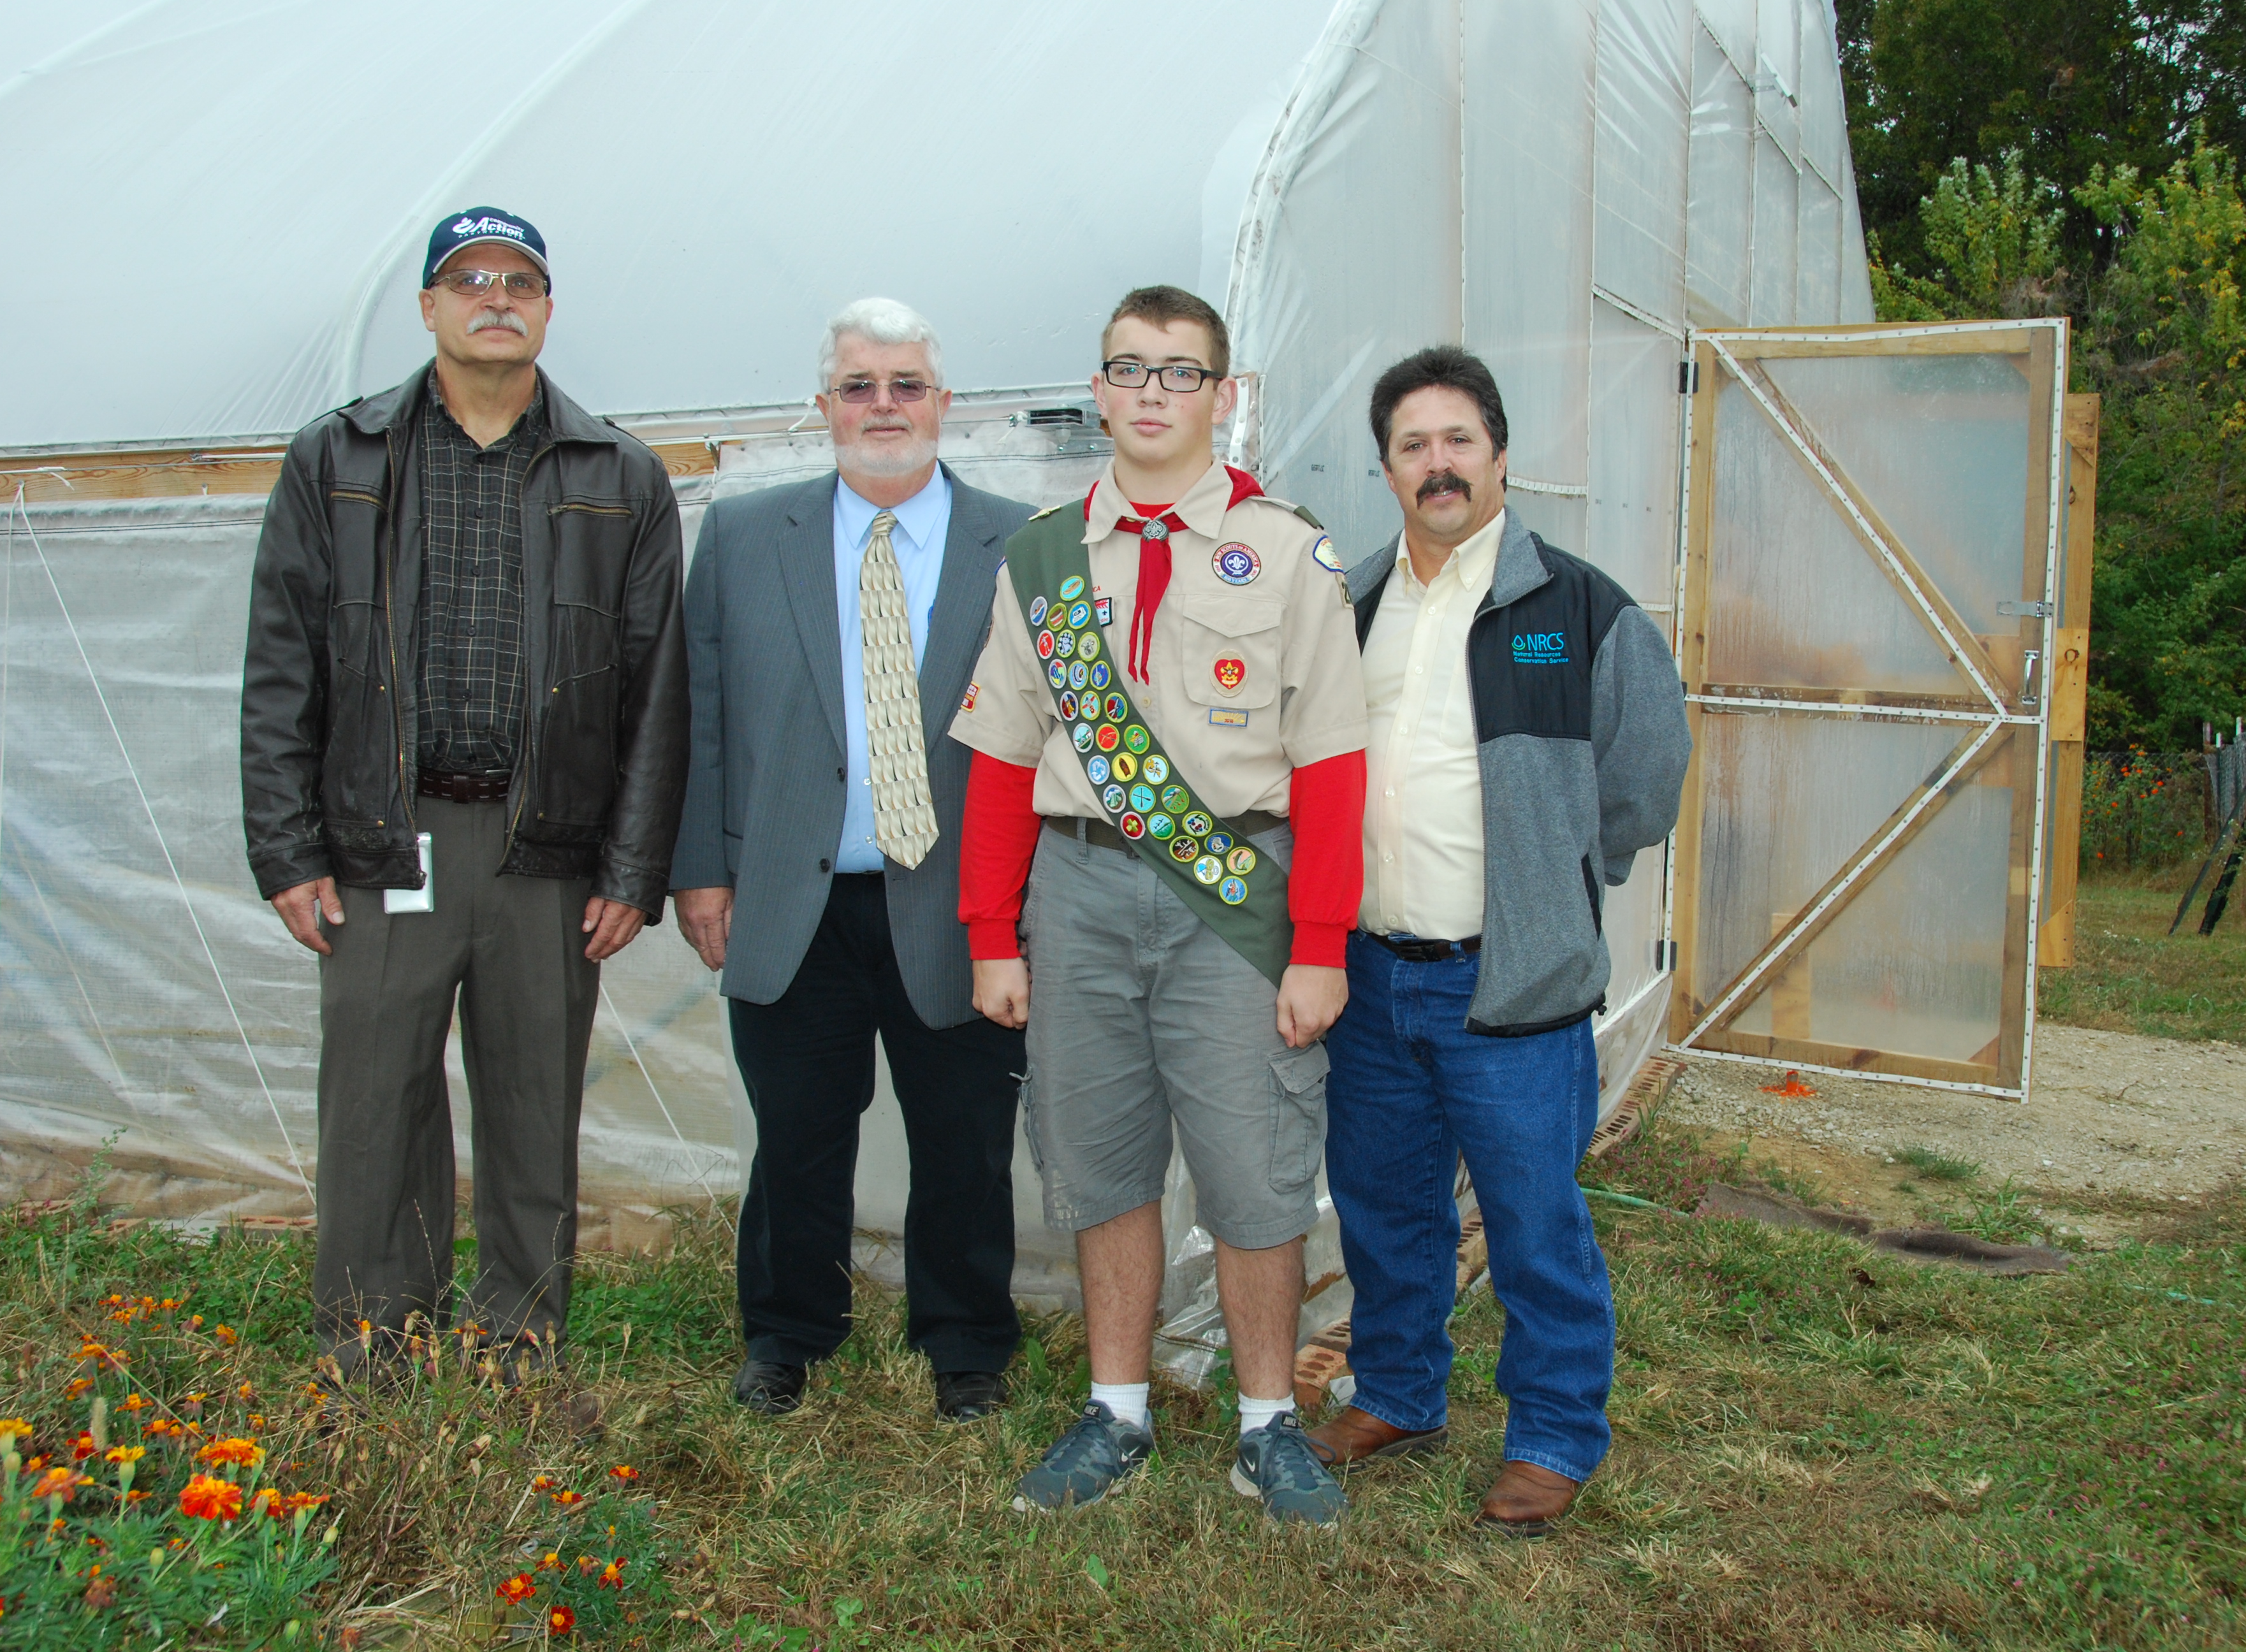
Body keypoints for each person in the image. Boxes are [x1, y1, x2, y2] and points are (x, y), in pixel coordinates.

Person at [241, 207, 689, 1389]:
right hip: (386, 836)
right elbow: (283, 664)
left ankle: (521, 1334)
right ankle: (372, 1339)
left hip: (549, 849)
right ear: (430, 309)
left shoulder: (620, 476)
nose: (497, 297)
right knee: (375, 1099)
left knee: (536, 1099)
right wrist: (289, 850)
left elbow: (656, 694)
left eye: (521, 281)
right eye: (470, 279)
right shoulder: (336, 459)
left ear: (548, 309)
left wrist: (632, 871)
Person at [951, 286, 1369, 1523]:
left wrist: (1322, 943)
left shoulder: (1288, 551)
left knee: (1255, 1168)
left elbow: (1334, 761)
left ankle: (1265, 1426)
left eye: (1178, 373)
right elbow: (1001, 757)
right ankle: (1115, 1411)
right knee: (1101, 1159)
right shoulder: (1040, 559)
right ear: (1099, 390)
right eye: (1128, 369)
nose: (1150, 393)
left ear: (1221, 397)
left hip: (1235, 897)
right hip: (1074, 894)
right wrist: (990, 933)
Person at [1309, 346, 1688, 1535]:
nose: (1438, 464)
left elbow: (1644, 781)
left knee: (1533, 1220)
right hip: (1372, 976)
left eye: (1458, 440)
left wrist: (1561, 882)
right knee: (1384, 1209)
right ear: (1386, 468)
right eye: (1413, 445)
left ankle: (1557, 1434)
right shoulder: (1347, 606)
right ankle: (1402, 1394)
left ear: (1501, 454)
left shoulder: (1578, 609)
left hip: (1511, 981)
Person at [670, 299, 1034, 1423]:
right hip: (788, 896)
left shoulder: (1024, 543)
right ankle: (788, 1332)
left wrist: (1025, 908)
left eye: (907, 385)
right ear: (821, 406)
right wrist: (699, 872)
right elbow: (700, 715)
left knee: (966, 1143)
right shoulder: (741, 538)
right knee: (796, 1135)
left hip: (959, 904)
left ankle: (967, 1345)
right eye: (861, 386)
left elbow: (1058, 734)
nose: (885, 406)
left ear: (944, 404)